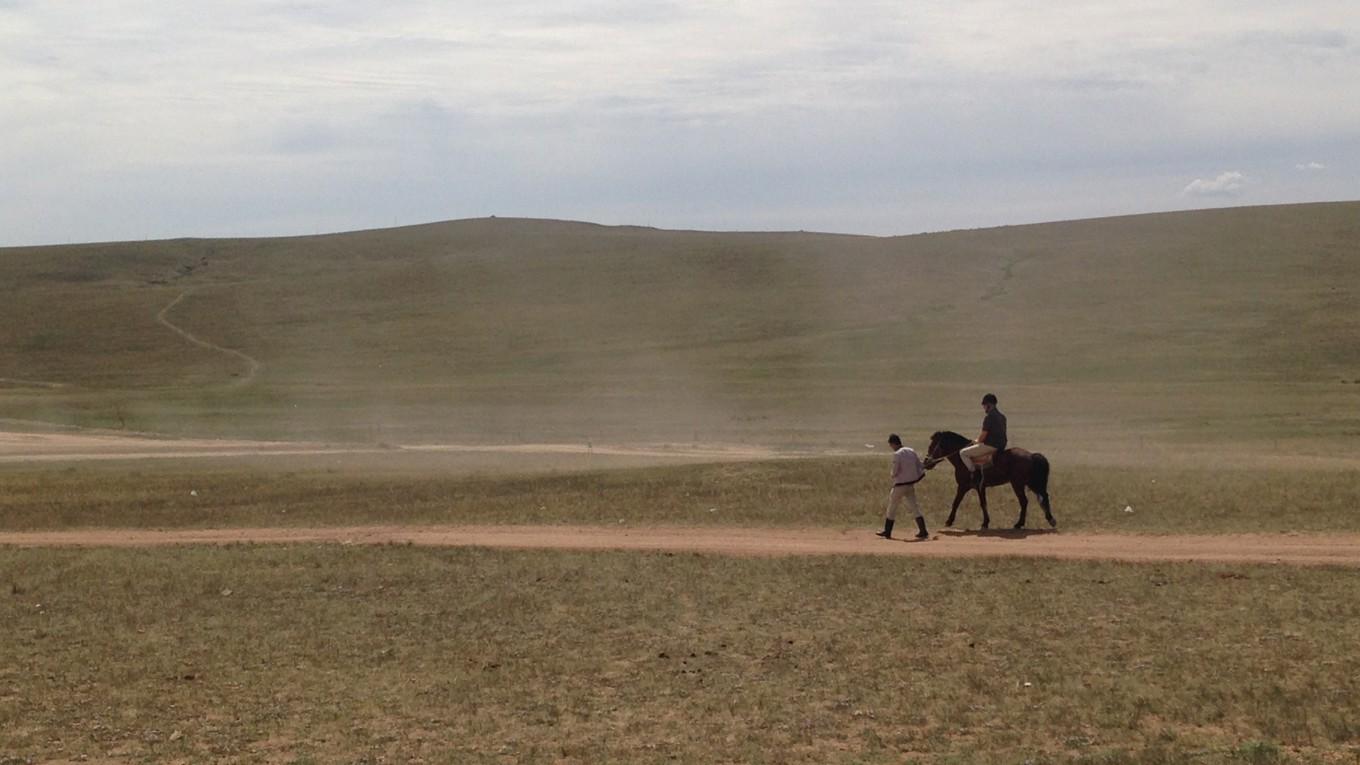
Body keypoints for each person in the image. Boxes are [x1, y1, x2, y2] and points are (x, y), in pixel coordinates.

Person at [877, 433, 928, 540]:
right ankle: (923, 530)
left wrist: (892, 474)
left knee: (892, 508)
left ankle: (887, 531)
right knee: (914, 507)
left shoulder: (897, 454)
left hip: (900, 485)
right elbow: (920, 464)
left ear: (893, 444)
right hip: (910, 485)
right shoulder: (911, 450)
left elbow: (894, 471)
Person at [958, 393, 1007, 483]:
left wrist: (976, 441)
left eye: (984, 405)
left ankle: (974, 475)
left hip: (991, 446)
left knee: (963, 453)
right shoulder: (1002, 417)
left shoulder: (989, 418)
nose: (984, 408)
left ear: (989, 405)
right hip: (1002, 446)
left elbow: (983, 436)